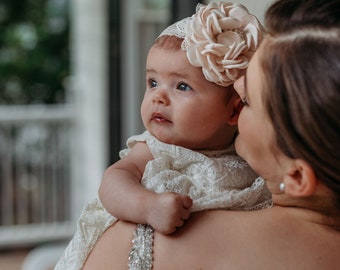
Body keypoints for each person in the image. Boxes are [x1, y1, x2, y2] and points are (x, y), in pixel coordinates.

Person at [57, 0, 340, 269]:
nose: (235, 88)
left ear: (298, 177)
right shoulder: (155, 151)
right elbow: (115, 180)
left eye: (248, 100)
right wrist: (149, 206)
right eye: (152, 82)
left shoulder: (148, 244)